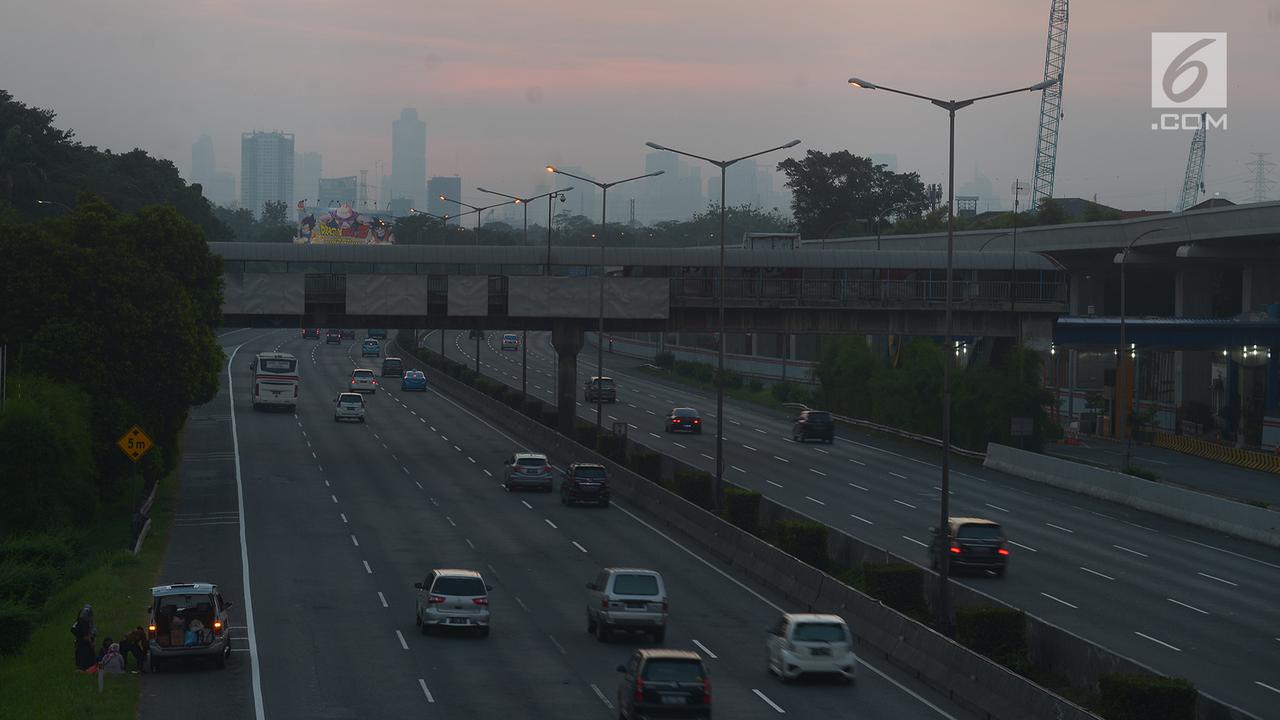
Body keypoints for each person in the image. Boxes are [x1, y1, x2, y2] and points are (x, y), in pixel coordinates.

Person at [70, 604, 96, 671]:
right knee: (84, 655)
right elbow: (84, 635)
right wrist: (90, 642)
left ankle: (87, 667)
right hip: (83, 644)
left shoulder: (86, 622)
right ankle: (85, 668)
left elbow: (92, 631)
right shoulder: (81, 623)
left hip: (83, 642)